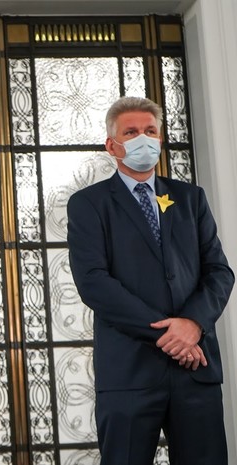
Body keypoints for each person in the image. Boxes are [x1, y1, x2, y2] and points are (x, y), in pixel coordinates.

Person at [67, 96, 233, 465]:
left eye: (150, 131)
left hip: (196, 370)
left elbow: (219, 272)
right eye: (131, 132)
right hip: (129, 373)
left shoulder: (190, 198)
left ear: (159, 139)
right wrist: (170, 336)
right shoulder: (89, 204)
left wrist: (192, 324)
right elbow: (94, 282)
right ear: (112, 145)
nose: (143, 138)